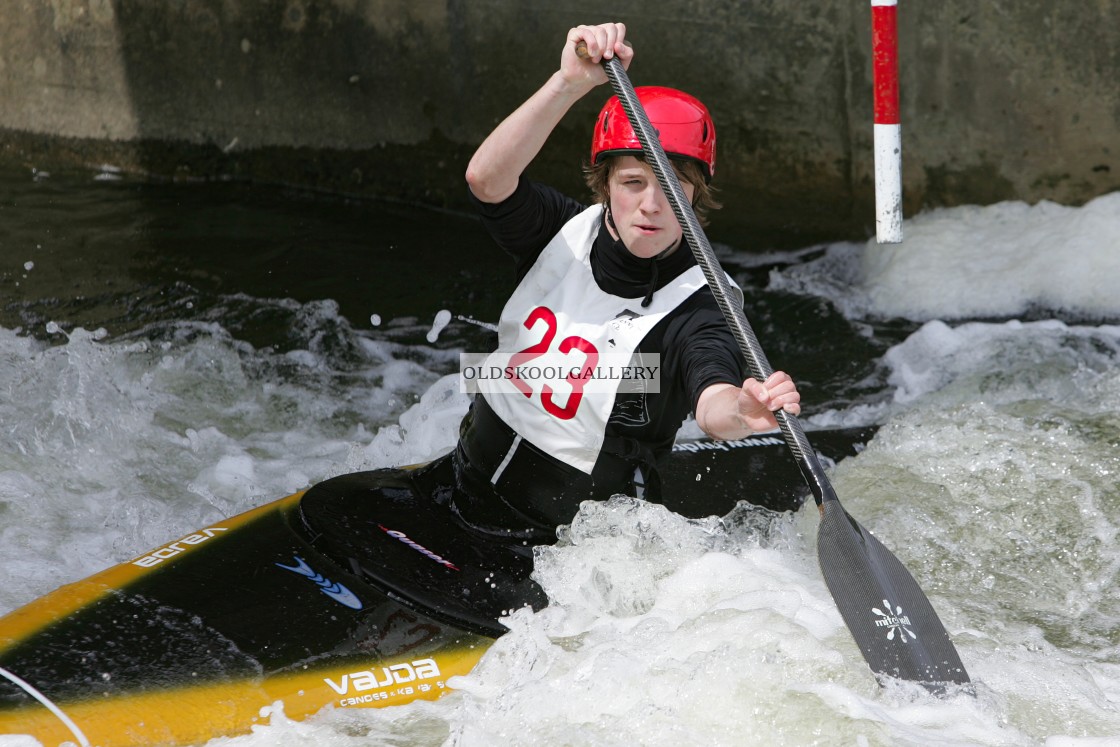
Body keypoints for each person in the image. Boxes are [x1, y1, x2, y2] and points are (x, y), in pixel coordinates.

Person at [448, 22, 801, 544]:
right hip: (466, 475)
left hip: (572, 539)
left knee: (650, 377)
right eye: (633, 183)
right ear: (605, 185)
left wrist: (743, 412)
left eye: (672, 188)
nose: (652, 206)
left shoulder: (704, 303)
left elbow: (712, 399)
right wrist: (568, 83)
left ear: (697, 194)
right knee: (536, 369)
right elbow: (485, 179)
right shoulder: (561, 230)